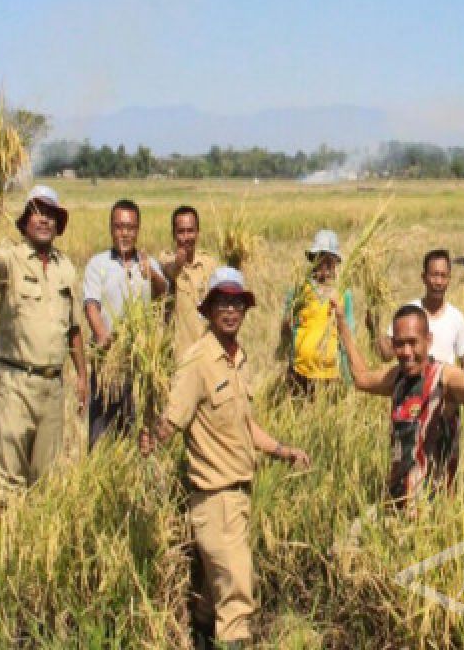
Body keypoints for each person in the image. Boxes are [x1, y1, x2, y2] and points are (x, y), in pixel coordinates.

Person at [140, 267, 310, 649]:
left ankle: (200, 637)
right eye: (222, 303)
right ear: (209, 309)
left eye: (237, 303)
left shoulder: (239, 358)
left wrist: (283, 451)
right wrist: (151, 435)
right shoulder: (197, 362)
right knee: (237, 596)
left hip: (240, 496)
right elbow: (172, 420)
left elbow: (246, 425)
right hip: (214, 498)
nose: (230, 310)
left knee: (210, 595)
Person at [0, 185, 88, 518]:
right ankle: (1, 560)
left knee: (46, 484)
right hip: (14, 383)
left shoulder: (65, 268)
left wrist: (82, 375)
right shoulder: (9, 258)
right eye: (38, 212)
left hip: (52, 388)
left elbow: (74, 329)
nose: (45, 220)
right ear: (25, 221)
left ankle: (34, 560)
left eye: (51, 214)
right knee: (5, 480)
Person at [335, 299, 464, 511]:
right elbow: (361, 379)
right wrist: (342, 326)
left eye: (413, 342)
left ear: (428, 341)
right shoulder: (397, 378)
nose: (407, 352)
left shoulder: (443, 377)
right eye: (400, 344)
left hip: (434, 512)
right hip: (396, 506)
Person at [84, 198, 168, 447]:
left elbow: (164, 294)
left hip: (140, 364)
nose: (124, 233)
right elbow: (91, 305)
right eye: (119, 227)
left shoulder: (148, 263)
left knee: (138, 431)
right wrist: (102, 336)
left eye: (130, 227)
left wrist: (151, 274)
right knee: (102, 432)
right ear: (111, 229)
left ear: (138, 230)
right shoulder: (98, 265)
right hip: (108, 363)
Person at [279, 228, 355, 398]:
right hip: (300, 373)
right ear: (313, 259)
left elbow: (348, 335)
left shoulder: (343, 293)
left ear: (336, 262)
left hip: (331, 377)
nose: (325, 265)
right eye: (321, 258)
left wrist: (347, 377)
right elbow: (285, 331)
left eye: (330, 260)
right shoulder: (299, 290)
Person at [373, 248, 464, 372]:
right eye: (434, 275)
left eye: (443, 276)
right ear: (424, 277)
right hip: (410, 388)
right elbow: (387, 355)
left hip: (444, 389)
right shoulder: (408, 313)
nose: (438, 282)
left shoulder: (457, 318)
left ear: (449, 279)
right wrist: (374, 328)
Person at [159, 205, 217, 358]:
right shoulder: (165, 260)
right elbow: (171, 269)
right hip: (179, 356)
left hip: (206, 353)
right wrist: (179, 262)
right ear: (173, 234)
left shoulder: (209, 264)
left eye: (190, 231)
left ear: (198, 233)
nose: (186, 237)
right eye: (181, 232)